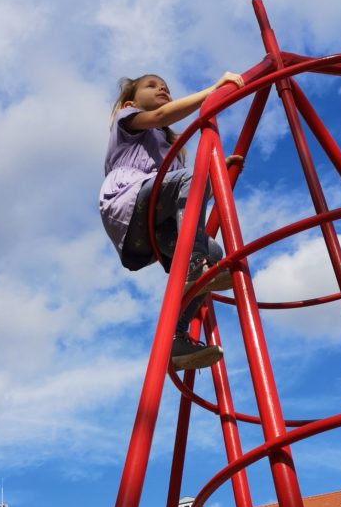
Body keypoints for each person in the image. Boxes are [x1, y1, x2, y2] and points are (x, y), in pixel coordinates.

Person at [100, 71, 244, 370]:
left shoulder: (172, 153)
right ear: (130, 101)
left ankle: (176, 340)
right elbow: (162, 115)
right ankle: (194, 262)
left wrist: (215, 167)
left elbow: (186, 193)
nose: (161, 89)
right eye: (151, 86)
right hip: (129, 199)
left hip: (154, 220)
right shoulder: (129, 119)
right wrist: (213, 90)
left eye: (165, 87)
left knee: (215, 255)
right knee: (194, 179)